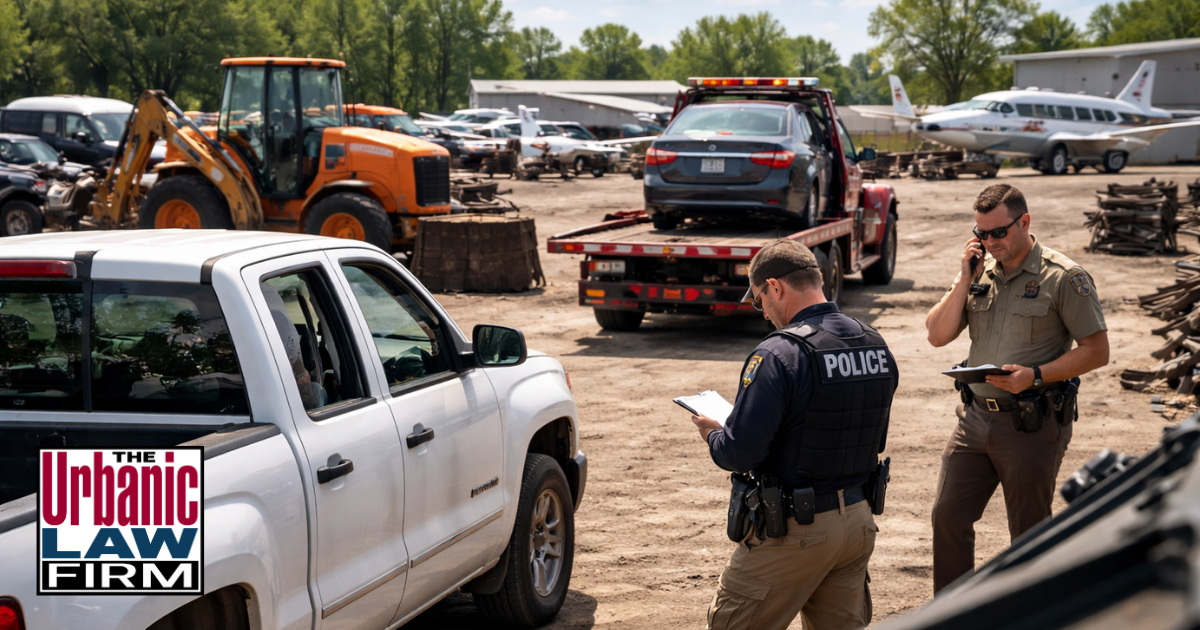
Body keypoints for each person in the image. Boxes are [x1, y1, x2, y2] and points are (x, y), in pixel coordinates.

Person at [689, 240, 898, 630]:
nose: (763, 312)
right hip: (857, 523)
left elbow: (740, 453)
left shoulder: (778, 354)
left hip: (797, 531)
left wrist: (714, 435)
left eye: (759, 300)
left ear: (776, 288)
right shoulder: (874, 343)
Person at [924, 183, 1109, 593]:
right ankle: (953, 617)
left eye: (999, 232)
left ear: (1024, 222)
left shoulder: (1064, 277)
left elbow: (1097, 351)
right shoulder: (979, 272)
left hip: (1031, 423)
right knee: (948, 517)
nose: (990, 242)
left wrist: (1036, 374)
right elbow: (937, 336)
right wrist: (962, 277)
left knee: (1029, 535)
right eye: (981, 234)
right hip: (974, 420)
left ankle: (1032, 615)